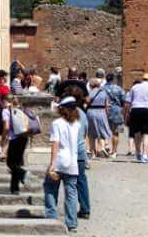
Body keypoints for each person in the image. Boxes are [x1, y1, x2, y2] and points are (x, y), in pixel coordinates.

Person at [44, 96, 81, 233]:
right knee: (71, 193)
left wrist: (51, 164)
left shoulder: (57, 123)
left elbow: (55, 144)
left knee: (50, 188)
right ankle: (72, 223)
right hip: (72, 162)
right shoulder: (77, 123)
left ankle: (51, 217)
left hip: (60, 160)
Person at [124, 73, 148, 163]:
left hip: (135, 109)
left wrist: (127, 114)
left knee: (136, 132)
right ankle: (145, 154)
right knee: (146, 133)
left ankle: (138, 152)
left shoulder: (135, 87)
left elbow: (128, 102)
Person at [66, 86, 90, 220]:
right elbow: (85, 133)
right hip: (80, 151)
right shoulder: (83, 114)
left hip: (68, 152)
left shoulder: (66, 114)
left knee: (64, 183)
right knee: (81, 180)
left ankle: (55, 210)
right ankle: (85, 209)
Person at [1, 94, 29, 195]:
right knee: (16, 163)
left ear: (4, 100)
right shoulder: (21, 108)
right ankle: (15, 189)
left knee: (10, 163)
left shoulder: (6, 110)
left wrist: (3, 137)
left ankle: (23, 173)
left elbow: (7, 127)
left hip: (14, 138)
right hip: (24, 137)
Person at [86, 78, 113, 158]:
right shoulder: (104, 92)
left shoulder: (90, 92)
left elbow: (87, 101)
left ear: (91, 85)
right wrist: (106, 114)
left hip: (91, 111)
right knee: (102, 131)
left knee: (91, 133)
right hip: (101, 112)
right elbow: (107, 105)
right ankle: (102, 147)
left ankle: (93, 152)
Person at [102, 73, 125, 158]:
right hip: (117, 111)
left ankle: (106, 146)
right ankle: (114, 151)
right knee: (116, 133)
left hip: (105, 110)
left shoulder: (102, 88)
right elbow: (123, 100)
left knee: (104, 131)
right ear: (113, 79)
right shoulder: (118, 88)